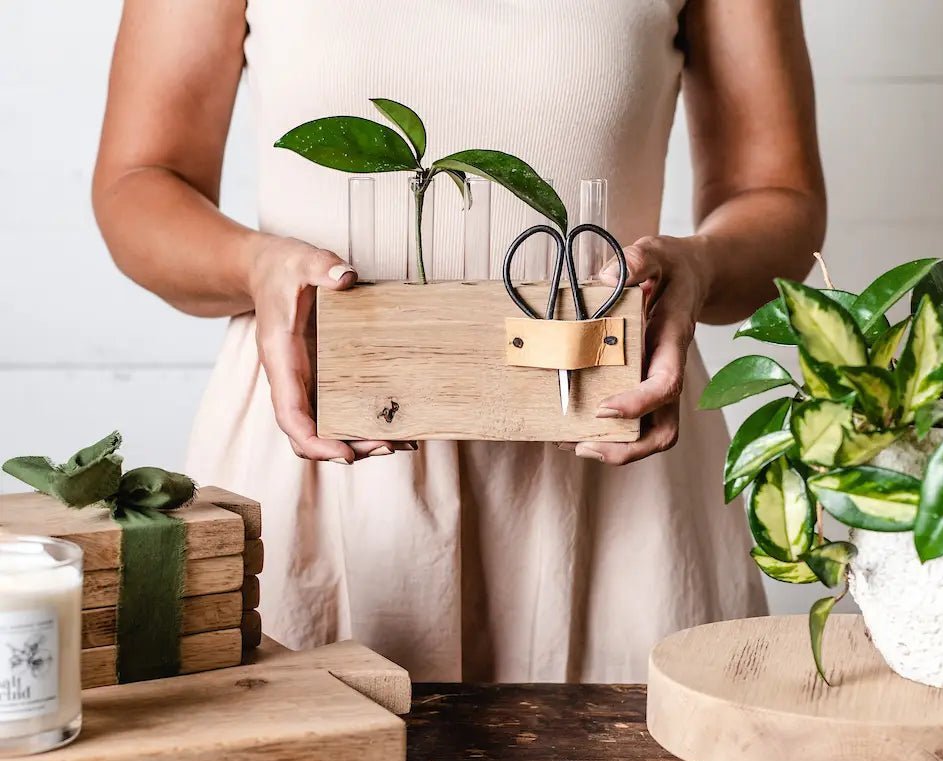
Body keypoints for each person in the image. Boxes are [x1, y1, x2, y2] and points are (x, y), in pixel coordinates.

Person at [93, 1, 825, 682]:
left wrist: (696, 266)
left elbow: (779, 198)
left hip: (611, 454)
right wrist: (254, 265)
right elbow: (139, 180)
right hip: (326, 443)